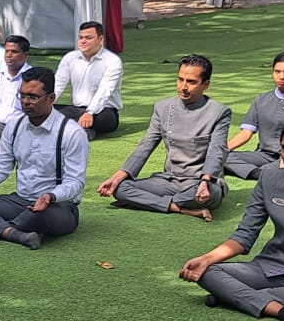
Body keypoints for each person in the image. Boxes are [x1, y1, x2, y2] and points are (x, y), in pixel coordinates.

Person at [181, 120, 284, 321]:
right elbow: (245, 234)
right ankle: (282, 311)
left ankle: (232, 296)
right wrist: (207, 258)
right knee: (207, 271)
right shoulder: (269, 176)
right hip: (271, 266)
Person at [98, 54, 230, 221]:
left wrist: (205, 181)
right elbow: (146, 145)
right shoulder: (163, 108)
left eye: (191, 82)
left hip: (202, 183)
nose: (183, 87)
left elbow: (216, 151)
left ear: (206, 85)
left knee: (211, 194)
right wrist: (119, 175)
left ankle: (147, 202)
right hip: (168, 181)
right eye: (180, 79)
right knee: (120, 188)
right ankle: (180, 209)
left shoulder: (219, 112)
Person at [0, 66, 88, 250]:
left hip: (58, 207)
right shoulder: (14, 126)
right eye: (22, 95)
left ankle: (4, 226)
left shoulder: (71, 133)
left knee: (40, 216)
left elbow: (76, 182)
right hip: (21, 201)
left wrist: (51, 196)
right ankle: (14, 233)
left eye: (32, 97)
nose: (25, 102)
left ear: (51, 98)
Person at [225, 51, 284, 179]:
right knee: (219, 158)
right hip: (263, 155)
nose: (281, 77)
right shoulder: (261, 100)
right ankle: (260, 174)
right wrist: (221, 150)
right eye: (277, 71)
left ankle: (268, 172)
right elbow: (246, 132)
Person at [53, 21, 123, 138]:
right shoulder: (70, 58)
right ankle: (79, 129)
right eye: (81, 37)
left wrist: (90, 112)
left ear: (100, 40)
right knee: (43, 111)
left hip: (104, 111)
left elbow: (105, 90)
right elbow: (58, 85)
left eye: (88, 38)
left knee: (102, 119)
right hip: (76, 110)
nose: (83, 41)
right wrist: (45, 107)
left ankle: (69, 129)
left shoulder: (112, 61)